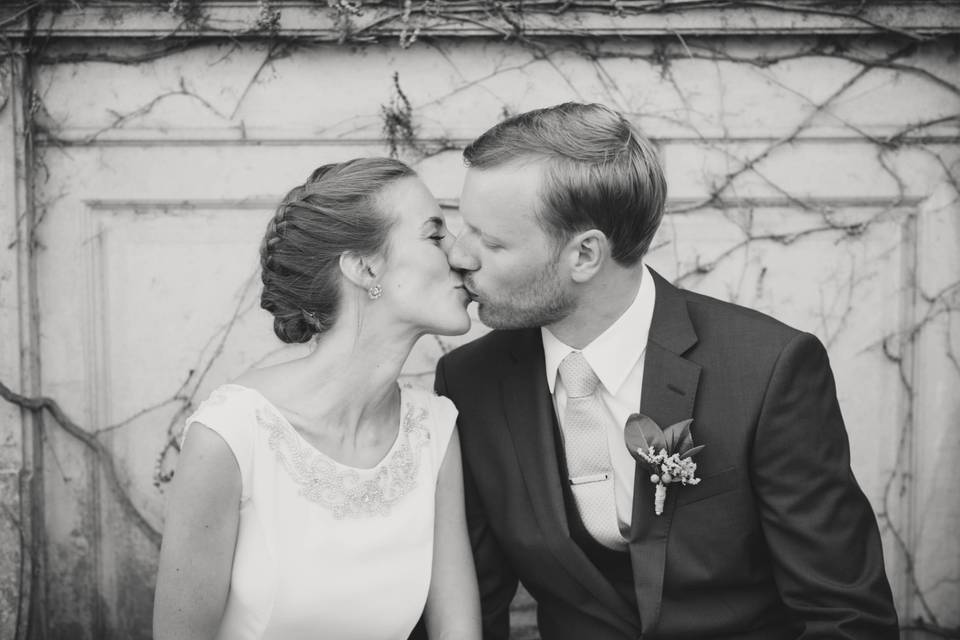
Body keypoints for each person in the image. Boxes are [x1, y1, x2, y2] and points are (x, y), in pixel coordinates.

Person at [433, 103, 899, 639]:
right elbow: (475, 606)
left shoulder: (768, 369)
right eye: (463, 226)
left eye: (491, 242)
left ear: (585, 255)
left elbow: (846, 615)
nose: (460, 256)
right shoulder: (471, 382)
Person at [154, 158, 481, 640]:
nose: (463, 256)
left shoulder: (433, 429)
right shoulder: (230, 436)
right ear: (364, 266)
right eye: (435, 235)